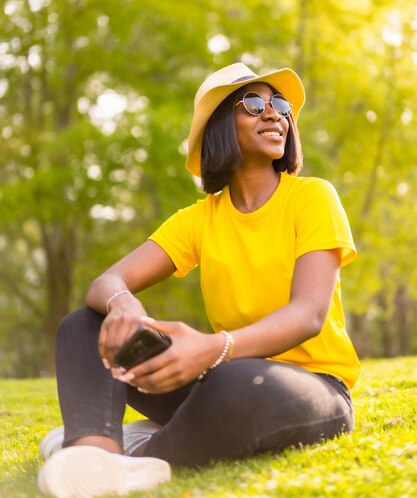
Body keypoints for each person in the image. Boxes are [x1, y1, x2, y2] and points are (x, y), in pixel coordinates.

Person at [38, 62, 360, 498]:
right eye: (253, 103)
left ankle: (138, 455)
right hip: (221, 372)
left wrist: (213, 348)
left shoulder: (313, 197)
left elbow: (308, 315)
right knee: (84, 324)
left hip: (307, 386)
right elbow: (107, 281)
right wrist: (122, 302)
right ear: (220, 127)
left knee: (237, 381)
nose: (274, 114)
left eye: (280, 104)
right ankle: (97, 448)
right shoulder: (200, 219)